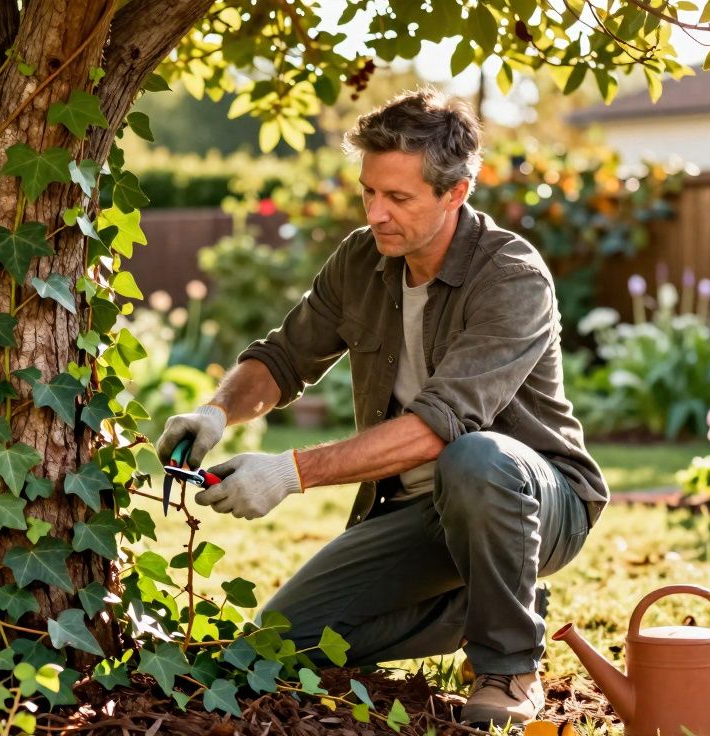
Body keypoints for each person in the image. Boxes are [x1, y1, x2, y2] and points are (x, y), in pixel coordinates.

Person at [156, 87, 607, 728]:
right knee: (276, 646)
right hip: (414, 510)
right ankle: (485, 602)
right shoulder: (362, 260)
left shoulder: (511, 276)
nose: (377, 213)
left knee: (473, 458)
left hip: (535, 501)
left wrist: (289, 472)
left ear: (456, 193)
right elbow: (284, 358)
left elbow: (437, 429)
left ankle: (509, 666)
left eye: (398, 198)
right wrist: (217, 413)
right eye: (370, 192)